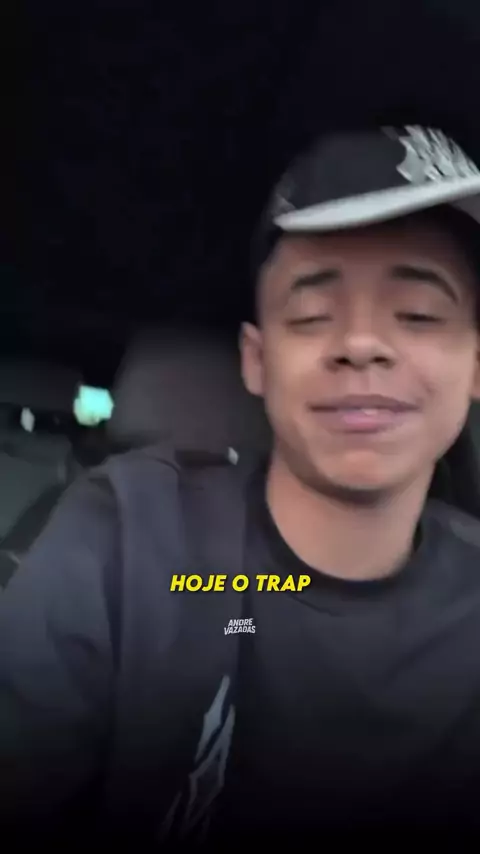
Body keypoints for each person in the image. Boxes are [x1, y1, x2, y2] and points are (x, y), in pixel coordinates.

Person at [3, 124, 480, 845]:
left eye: (418, 315)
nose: (361, 344)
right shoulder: (131, 542)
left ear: (477, 364)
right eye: (313, 316)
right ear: (256, 361)